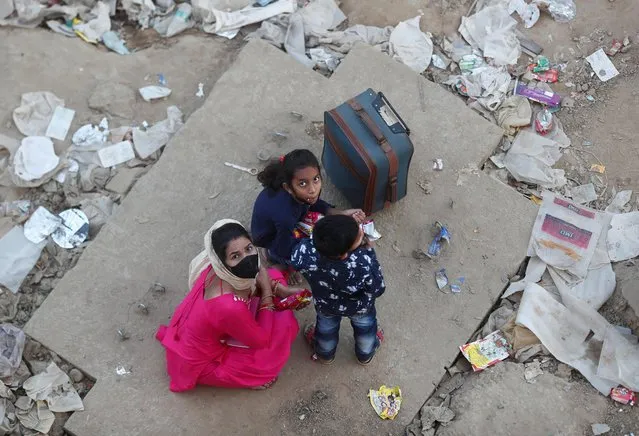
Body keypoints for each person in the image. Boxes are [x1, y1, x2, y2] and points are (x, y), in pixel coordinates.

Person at [155, 219, 299, 392]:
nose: (247, 258)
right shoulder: (229, 306)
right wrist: (268, 291)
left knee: (273, 277)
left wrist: (278, 288)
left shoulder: (216, 268)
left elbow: (255, 279)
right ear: (222, 262)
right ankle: (245, 378)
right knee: (278, 332)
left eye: (249, 248)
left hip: (201, 329)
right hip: (202, 357)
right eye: (235, 256)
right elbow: (261, 341)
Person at [251, 149, 366, 277]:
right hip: (271, 239)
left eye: (316, 179)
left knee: (324, 226)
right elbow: (284, 248)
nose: (312, 189)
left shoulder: (303, 194)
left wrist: (342, 213)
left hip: (286, 225)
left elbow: (315, 204)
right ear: (288, 188)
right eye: (303, 183)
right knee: (317, 256)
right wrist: (319, 251)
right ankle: (270, 256)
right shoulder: (285, 216)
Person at [291, 214, 386, 365]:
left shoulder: (305, 251)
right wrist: (370, 250)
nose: (360, 232)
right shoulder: (363, 263)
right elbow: (378, 288)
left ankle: (325, 355)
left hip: (326, 304)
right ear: (343, 255)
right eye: (357, 237)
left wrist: (337, 227)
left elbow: (296, 258)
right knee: (365, 329)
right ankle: (365, 354)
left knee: (325, 329)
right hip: (360, 307)